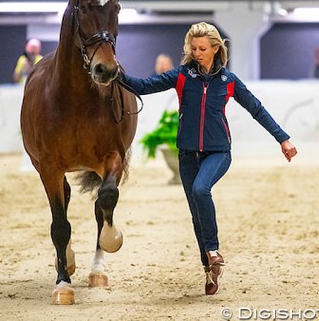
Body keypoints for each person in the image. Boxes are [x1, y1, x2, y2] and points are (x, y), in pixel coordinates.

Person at [119, 22, 297, 296]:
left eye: (203, 48)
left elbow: (257, 110)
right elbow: (143, 87)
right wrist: (116, 73)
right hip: (188, 154)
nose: (197, 52)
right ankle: (210, 270)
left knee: (202, 189)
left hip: (218, 152)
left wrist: (282, 138)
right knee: (196, 215)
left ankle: (213, 250)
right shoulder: (181, 76)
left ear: (215, 48)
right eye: (194, 48)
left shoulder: (229, 81)